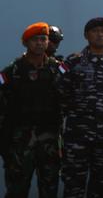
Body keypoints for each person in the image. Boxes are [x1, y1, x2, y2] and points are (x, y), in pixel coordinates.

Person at [56, 17, 103, 198]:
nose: (100, 34)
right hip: (78, 136)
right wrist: (76, 114)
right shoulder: (73, 62)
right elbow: (59, 92)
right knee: (74, 184)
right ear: (86, 35)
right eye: (95, 31)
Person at [0, 22, 64, 198]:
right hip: (20, 142)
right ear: (26, 43)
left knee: (49, 190)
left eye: (43, 39)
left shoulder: (57, 69)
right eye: (34, 40)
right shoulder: (12, 71)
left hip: (49, 140)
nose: (39, 43)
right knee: (17, 190)